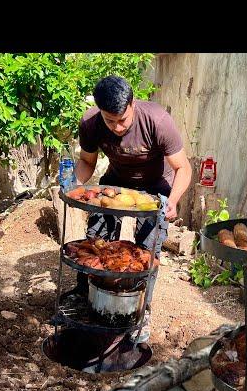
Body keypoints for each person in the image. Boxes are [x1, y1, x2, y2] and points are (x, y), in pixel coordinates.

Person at [63, 75, 192, 343]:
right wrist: (72, 184)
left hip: (156, 187)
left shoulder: (157, 120)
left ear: (133, 103)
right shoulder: (90, 122)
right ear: (100, 111)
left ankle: (141, 311)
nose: (118, 127)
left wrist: (173, 200)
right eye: (110, 121)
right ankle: (84, 294)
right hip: (116, 184)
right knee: (96, 240)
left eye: (123, 119)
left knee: (147, 250)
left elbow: (184, 167)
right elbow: (87, 162)